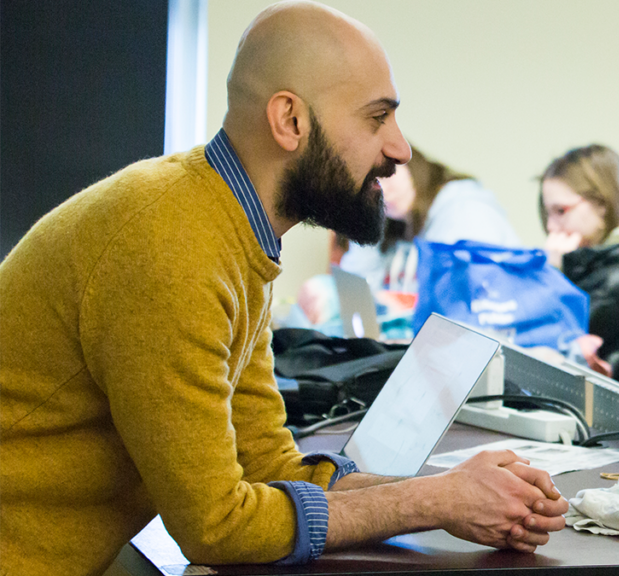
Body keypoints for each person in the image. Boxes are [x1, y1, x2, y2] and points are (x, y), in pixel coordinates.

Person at [0, 3, 566, 576]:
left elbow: (265, 461)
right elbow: (217, 526)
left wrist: (456, 490)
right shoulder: (171, 245)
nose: (401, 149)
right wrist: (432, 501)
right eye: (377, 118)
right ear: (290, 121)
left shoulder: (224, 230)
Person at [539, 144, 619, 379]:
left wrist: (553, 274)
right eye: (546, 214)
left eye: (560, 211)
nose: (551, 226)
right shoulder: (604, 263)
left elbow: (550, 337)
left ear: (602, 204)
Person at [341, 145, 520, 294]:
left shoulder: (463, 209)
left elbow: (464, 295)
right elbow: (357, 283)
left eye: (386, 175)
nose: (383, 191)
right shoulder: (395, 223)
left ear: (408, 162)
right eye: (369, 186)